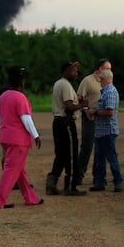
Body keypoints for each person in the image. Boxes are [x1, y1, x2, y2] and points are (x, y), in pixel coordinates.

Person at [0, 66, 44, 209]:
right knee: (11, 170)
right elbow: (26, 119)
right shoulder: (20, 98)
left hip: (5, 137)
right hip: (18, 140)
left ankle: (30, 197)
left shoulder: (3, 96)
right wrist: (36, 135)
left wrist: (8, 128)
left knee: (19, 170)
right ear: (22, 81)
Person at [47, 61, 86, 196]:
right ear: (66, 71)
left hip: (58, 122)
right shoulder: (65, 85)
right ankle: (70, 186)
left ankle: (51, 182)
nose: (76, 73)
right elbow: (68, 106)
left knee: (61, 155)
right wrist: (82, 105)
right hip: (66, 122)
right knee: (71, 154)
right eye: (73, 71)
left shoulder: (59, 83)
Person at [87, 69, 123, 192]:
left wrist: (95, 112)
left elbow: (110, 112)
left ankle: (118, 181)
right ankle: (100, 182)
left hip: (108, 131)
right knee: (99, 158)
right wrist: (93, 111)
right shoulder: (105, 92)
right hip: (101, 131)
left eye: (101, 79)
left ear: (107, 79)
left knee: (111, 157)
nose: (100, 81)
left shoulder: (111, 92)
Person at [77, 59, 112, 184]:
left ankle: (98, 176)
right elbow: (79, 98)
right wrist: (86, 110)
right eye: (108, 68)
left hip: (102, 118)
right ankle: (79, 174)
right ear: (100, 69)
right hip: (89, 118)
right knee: (87, 146)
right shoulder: (87, 81)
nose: (110, 71)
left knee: (101, 147)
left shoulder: (108, 82)